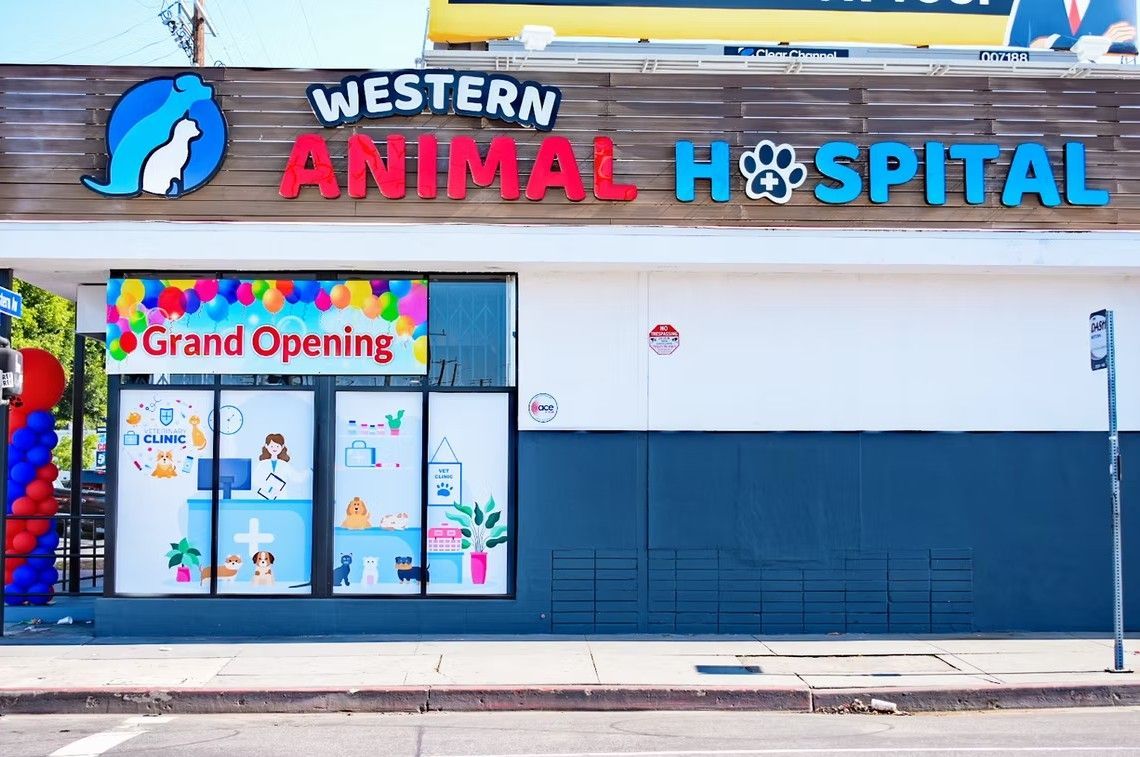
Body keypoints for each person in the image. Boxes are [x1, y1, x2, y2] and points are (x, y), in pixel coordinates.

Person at [1008, 0, 1137, 54]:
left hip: (1098, 97)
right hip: (1044, 94)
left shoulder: (1120, 4)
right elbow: (1012, 53)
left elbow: (1130, 52)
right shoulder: (1032, 2)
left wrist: (1049, 42)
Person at [253, 433, 296, 500]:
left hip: (281, 498)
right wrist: (270, 489)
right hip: (264, 497)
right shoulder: (262, 464)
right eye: (272, 446)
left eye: (277, 446)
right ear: (266, 446)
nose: (274, 448)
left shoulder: (285, 464)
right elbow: (255, 480)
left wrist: (310, 472)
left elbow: (295, 477)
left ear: (282, 447)